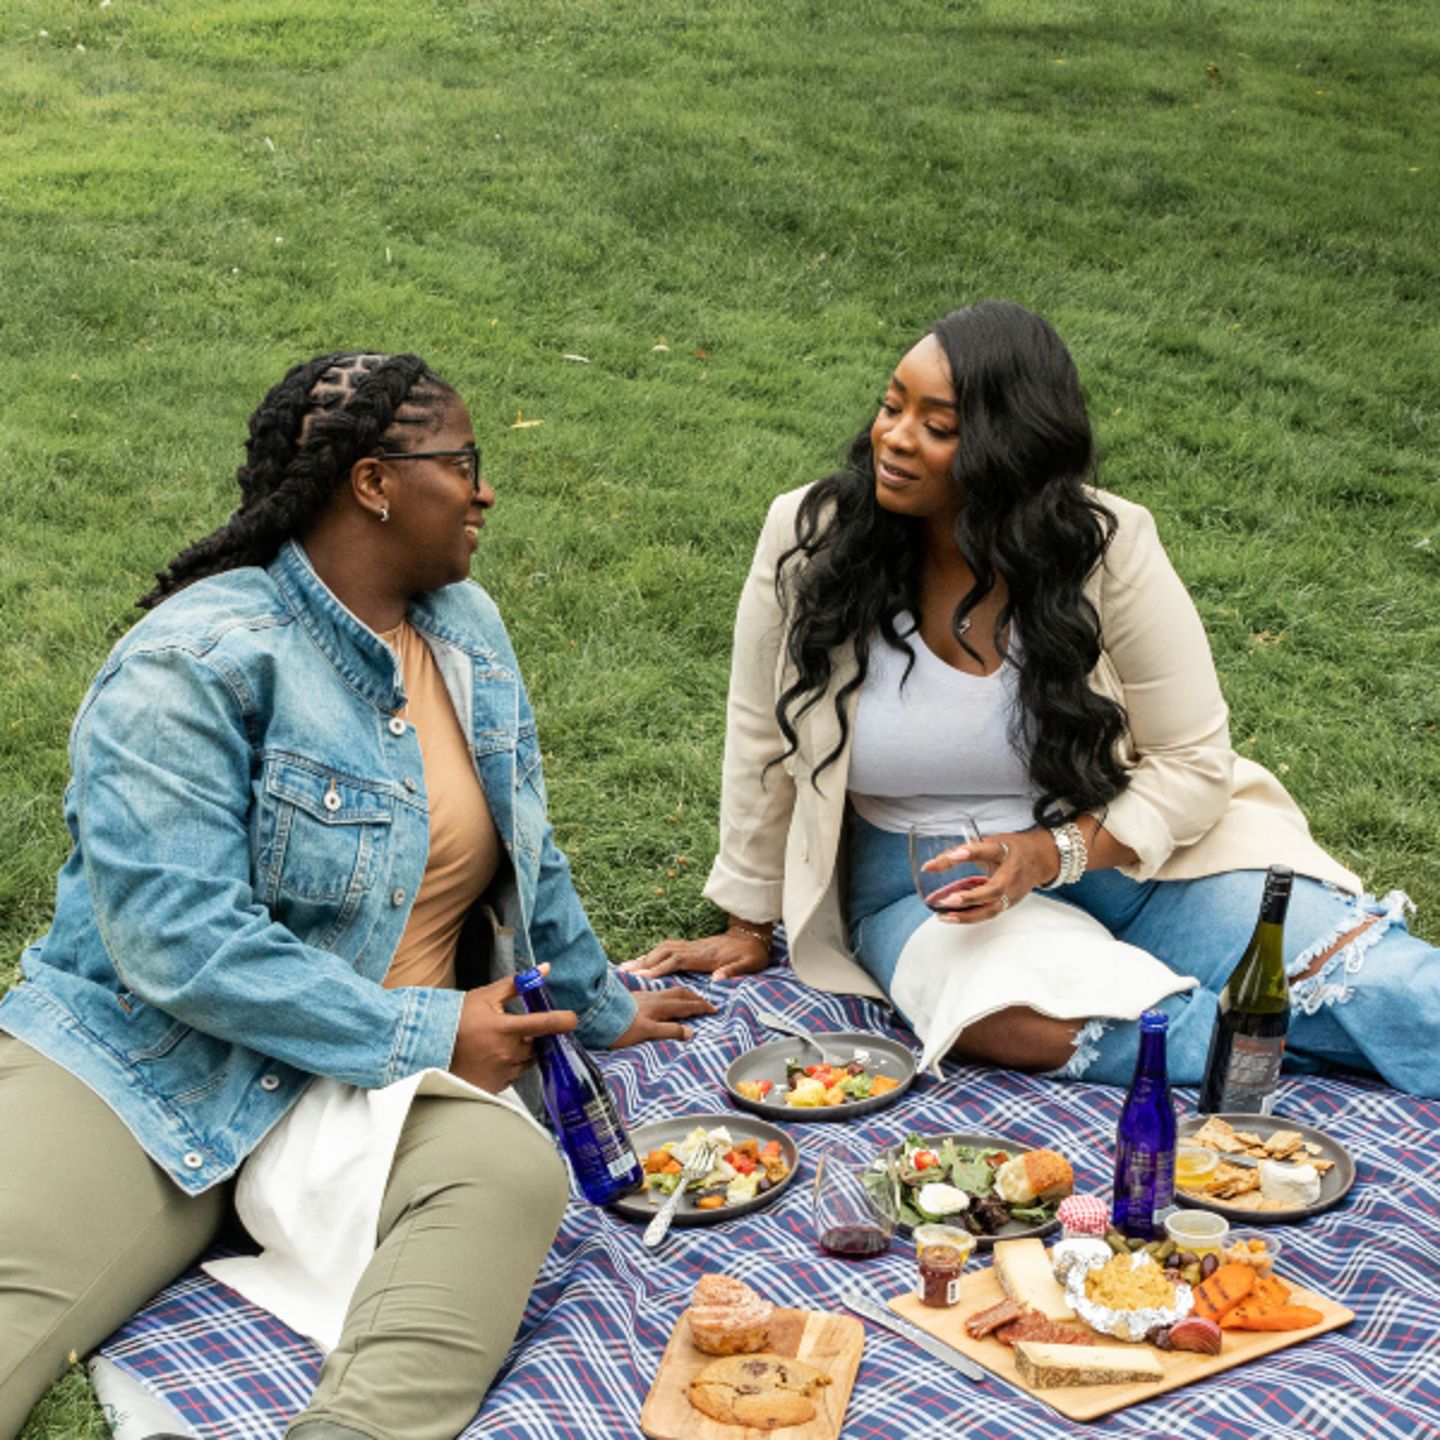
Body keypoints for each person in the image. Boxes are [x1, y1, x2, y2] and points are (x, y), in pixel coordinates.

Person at [0, 351, 712, 1440]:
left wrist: (598, 1002)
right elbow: (177, 941)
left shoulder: (464, 630)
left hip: (356, 1084)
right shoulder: (190, 663)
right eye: (463, 464)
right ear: (374, 483)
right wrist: (431, 1030)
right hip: (151, 1061)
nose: (485, 491)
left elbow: (527, 848)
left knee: (509, 1174)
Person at [625, 300, 1439, 1100]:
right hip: (932, 886)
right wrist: (748, 921)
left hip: (1137, 855)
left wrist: (1049, 856)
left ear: (1007, 452)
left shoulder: (1107, 546)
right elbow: (759, 734)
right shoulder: (812, 537)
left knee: (1387, 984)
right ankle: (1266, 1039)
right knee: (1030, 1022)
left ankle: (1294, 1021)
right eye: (891, 406)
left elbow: (1194, 761)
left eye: (938, 427)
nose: (895, 437)